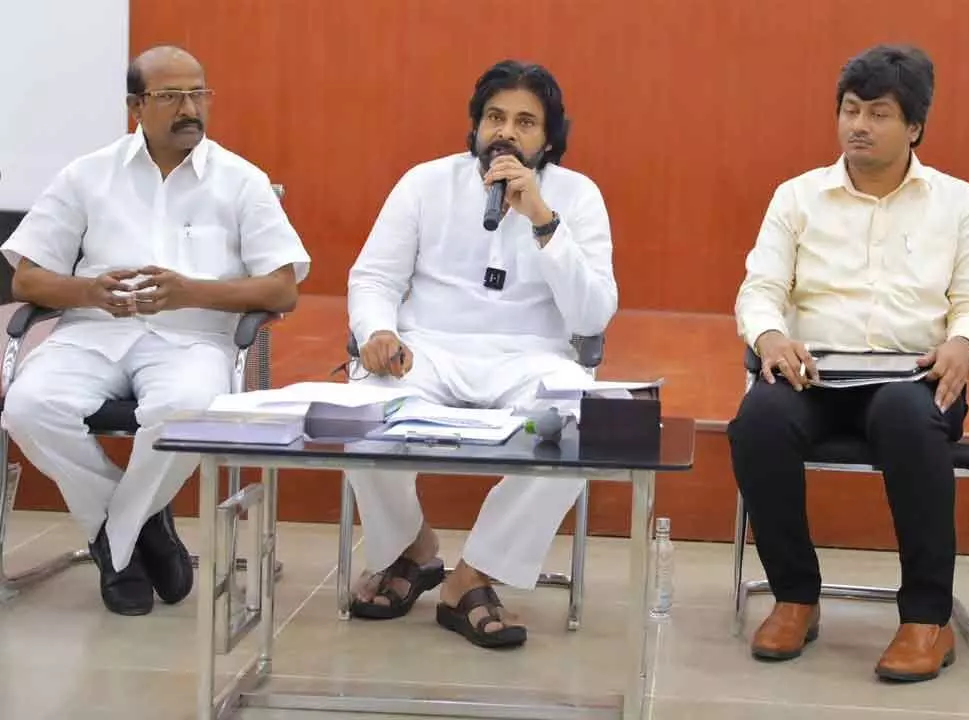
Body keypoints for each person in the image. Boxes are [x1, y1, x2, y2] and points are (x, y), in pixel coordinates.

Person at [0, 46, 310, 616]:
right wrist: (88, 291)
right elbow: (27, 279)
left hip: (193, 340)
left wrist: (192, 290)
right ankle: (145, 526)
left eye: (199, 93)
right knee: (27, 406)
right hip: (90, 334)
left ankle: (115, 542)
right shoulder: (86, 175)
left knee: (186, 408)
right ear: (135, 106)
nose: (190, 107)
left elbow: (281, 288)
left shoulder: (242, 181)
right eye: (171, 97)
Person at [728, 45, 969, 682]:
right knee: (758, 423)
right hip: (815, 371)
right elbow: (760, 288)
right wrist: (769, 337)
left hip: (914, 373)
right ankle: (795, 595)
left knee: (909, 420)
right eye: (850, 110)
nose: (859, 125)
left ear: (915, 127)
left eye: (878, 113)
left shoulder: (957, 202)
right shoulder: (797, 197)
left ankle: (926, 618)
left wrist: (964, 343)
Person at [344, 59, 616, 649]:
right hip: (429, 351)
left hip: (532, 356)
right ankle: (414, 548)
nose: (507, 133)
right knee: (359, 413)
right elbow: (373, 279)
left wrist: (543, 220)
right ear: (475, 124)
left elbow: (592, 315)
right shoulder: (425, 183)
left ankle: (473, 575)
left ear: (549, 138)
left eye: (525, 122)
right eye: (495, 117)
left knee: (583, 425)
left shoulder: (577, 197)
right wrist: (377, 332)